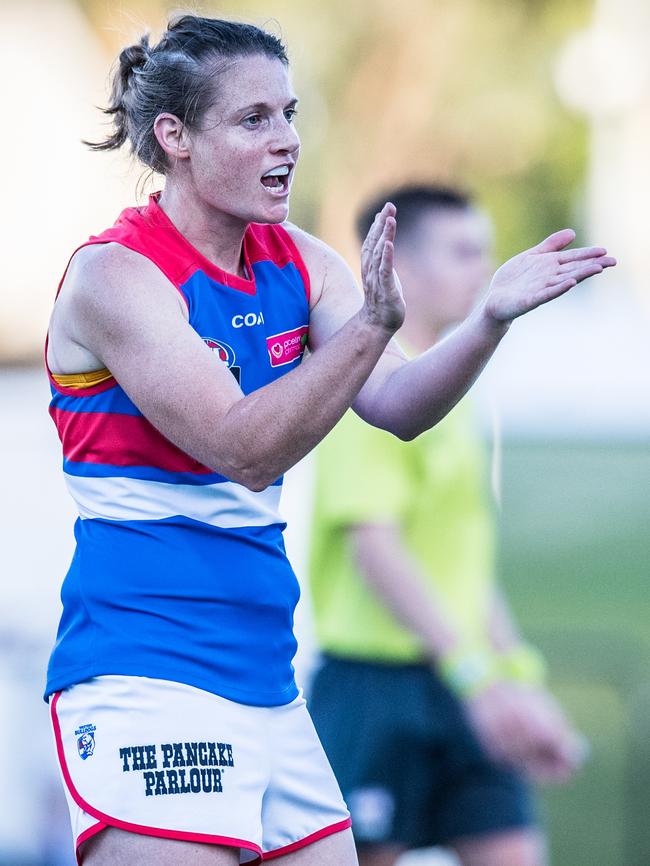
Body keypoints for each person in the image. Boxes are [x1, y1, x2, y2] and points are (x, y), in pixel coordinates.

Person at [43, 14, 614, 866]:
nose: (287, 141)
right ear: (175, 137)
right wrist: (371, 329)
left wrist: (488, 320)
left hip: (269, 686)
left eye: (290, 113)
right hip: (147, 674)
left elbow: (397, 405)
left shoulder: (303, 262)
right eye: (253, 119)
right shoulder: (117, 276)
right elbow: (244, 450)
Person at [307, 185, 583, 866]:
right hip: (376, 687)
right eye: (464, 252)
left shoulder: (452, 392)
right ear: (398, 261)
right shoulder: (367, 382)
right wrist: (474, 677)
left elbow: (461, 562)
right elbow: (377, 547)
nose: (482, 270)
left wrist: (515, 679)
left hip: (461, 679)